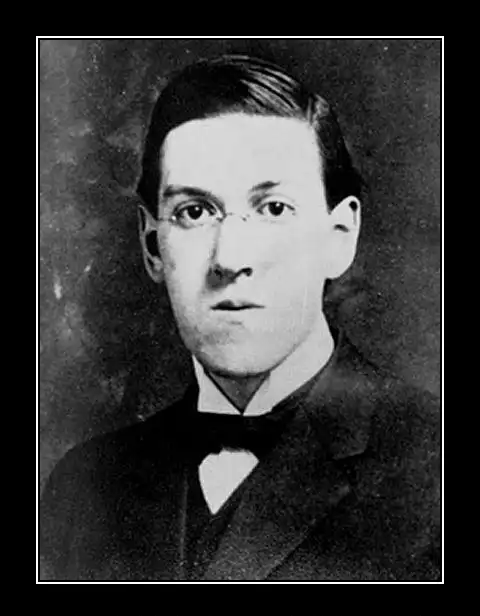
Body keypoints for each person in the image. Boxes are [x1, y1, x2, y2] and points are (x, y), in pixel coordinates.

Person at [40, 54, 440, 581]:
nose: (230, 258)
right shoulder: (81, 487)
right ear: (153, 245)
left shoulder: (433, 463)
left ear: (339, 237)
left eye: (273, 208)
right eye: (194, 212)